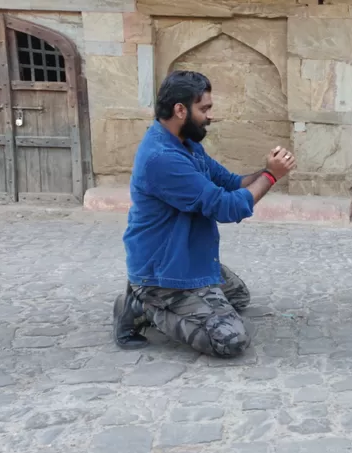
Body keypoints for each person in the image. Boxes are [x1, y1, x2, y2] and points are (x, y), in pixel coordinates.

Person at [112, 70, 296, 358]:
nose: (211, 115)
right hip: (162, 271)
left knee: (237, 296)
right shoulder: (162, 158)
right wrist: (271, 177)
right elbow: (227, 207)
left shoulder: (187, 145)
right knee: (230, 339)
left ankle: (162, 300)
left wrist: (266, 170)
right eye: (205, 108)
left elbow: (231, 182)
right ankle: (143, 304)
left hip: (187, 259)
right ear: (180, 110)